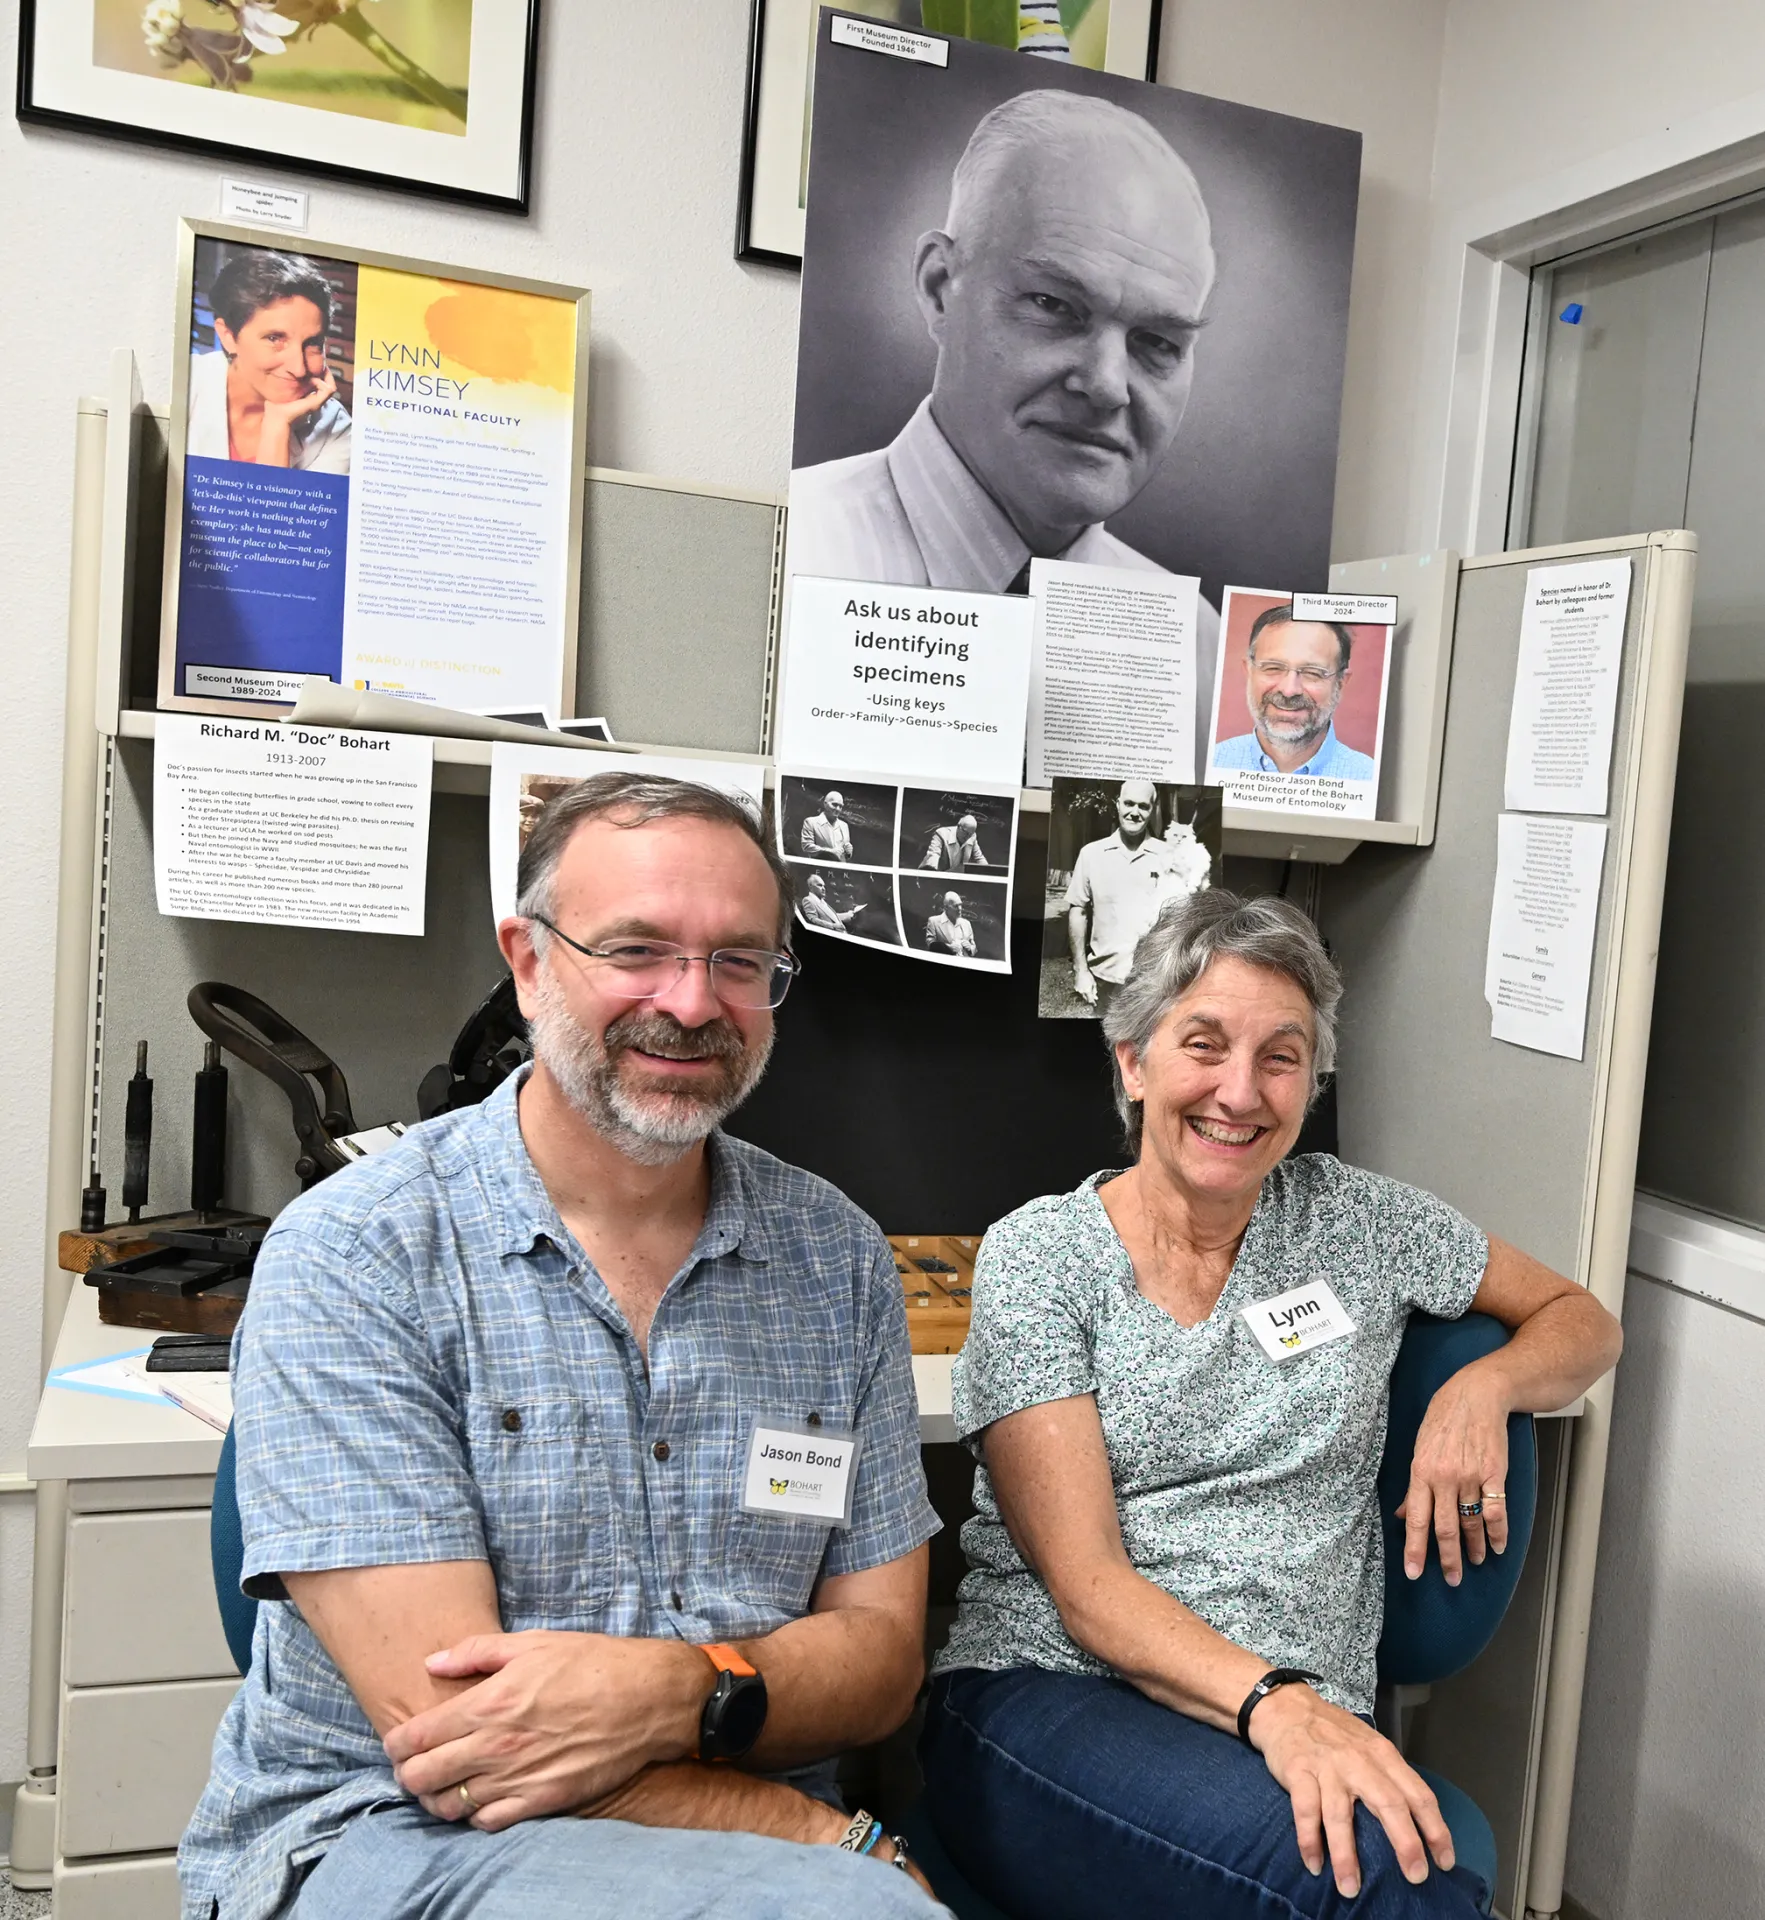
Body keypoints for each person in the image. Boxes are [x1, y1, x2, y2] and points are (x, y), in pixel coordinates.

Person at [180, 773, 944, 1920]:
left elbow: (881, 1662)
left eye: (741, 961)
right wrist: (799, 1824)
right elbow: (466, 1746)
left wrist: (671, 1693)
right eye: (636, 950)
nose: (691, 1004)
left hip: (759, 1848)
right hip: (386, 1827)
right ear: (530, 961)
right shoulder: (355, 1253)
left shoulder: (833, 1259)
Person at [920, 890, 1624, 1919]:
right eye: (1202, 1044)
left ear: (1312, 1078)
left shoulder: (1363, 1223)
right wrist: (1271, 1705)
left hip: (1294, 1716)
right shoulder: (1044, 1256)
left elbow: (1581, 1319)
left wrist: (1485, 1385)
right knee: (1376, 1877)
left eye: (1280, 1056)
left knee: (1383, 1869)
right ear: (1132, 1062)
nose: (1238, 1093)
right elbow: (1086, 1588)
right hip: (1057, 1695)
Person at [788, 88, 1222, 745]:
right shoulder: (794, 553)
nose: (1106, 385)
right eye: (1053, 304)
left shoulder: (1197, 647)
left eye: (1157, 343)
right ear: (939, 288)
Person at [186, 249, 352, 474]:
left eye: (312, 343)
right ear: (228, 336)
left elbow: (278, 510)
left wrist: (277, 425)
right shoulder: (187, 382)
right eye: (274, 338)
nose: (298, 368)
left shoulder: (336, 428)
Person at [1065, 779, 1208, 1016]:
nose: (1134, 812)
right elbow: (1078, 910)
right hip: (1105, 979)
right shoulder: (1091, 854)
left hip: (1156, 984)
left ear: (1152, 810)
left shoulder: (1171, 854)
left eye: (1143, 806)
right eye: (1129, 804)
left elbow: (1192, 913)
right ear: (1118, 804)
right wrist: (1081, 970)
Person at [1211, 604, 1376, 781]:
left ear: (1341, 682)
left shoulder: (1368, 777)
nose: (1289, 691)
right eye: (1273, 668)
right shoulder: (1214, 762)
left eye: (1312, 673)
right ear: (1249, 671)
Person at [799, 869, 866, 933]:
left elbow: (830, 917)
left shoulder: (822, 901)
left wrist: (847, 915)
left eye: (824, 886)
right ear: (810, 886)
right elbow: (813, 919)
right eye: (819, 885)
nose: (823, 889)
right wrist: (833, 926)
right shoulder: (808, 900)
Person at [920, 814, 989, 872]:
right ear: (959, 826)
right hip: (938, 876)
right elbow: (934, 854)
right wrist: (932, 874)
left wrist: (988, 872)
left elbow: (979, 857)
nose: (967, 837)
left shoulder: (972, 836)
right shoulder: (941, 834)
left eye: (970, 834)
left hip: (956, 878)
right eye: (966, 833)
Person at [801, 789, 855, 862]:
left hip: (840, 869)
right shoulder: (811, 822)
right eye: (834, 805)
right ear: (825, 804)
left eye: (840, 806)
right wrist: (830, 852)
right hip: (820, 867)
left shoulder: (844, 826)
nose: (838, 809)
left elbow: (845, 852)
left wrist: (848, 852)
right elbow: (807, 846)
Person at [924, 892, 977, 958]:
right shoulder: (933, 922)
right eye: (956, 906)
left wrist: (971, 949)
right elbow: (930, 945)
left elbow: (974, 947)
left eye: (960, 905)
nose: (960, 908)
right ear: (946, 907)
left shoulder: (967, 923)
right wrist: (948, 948)